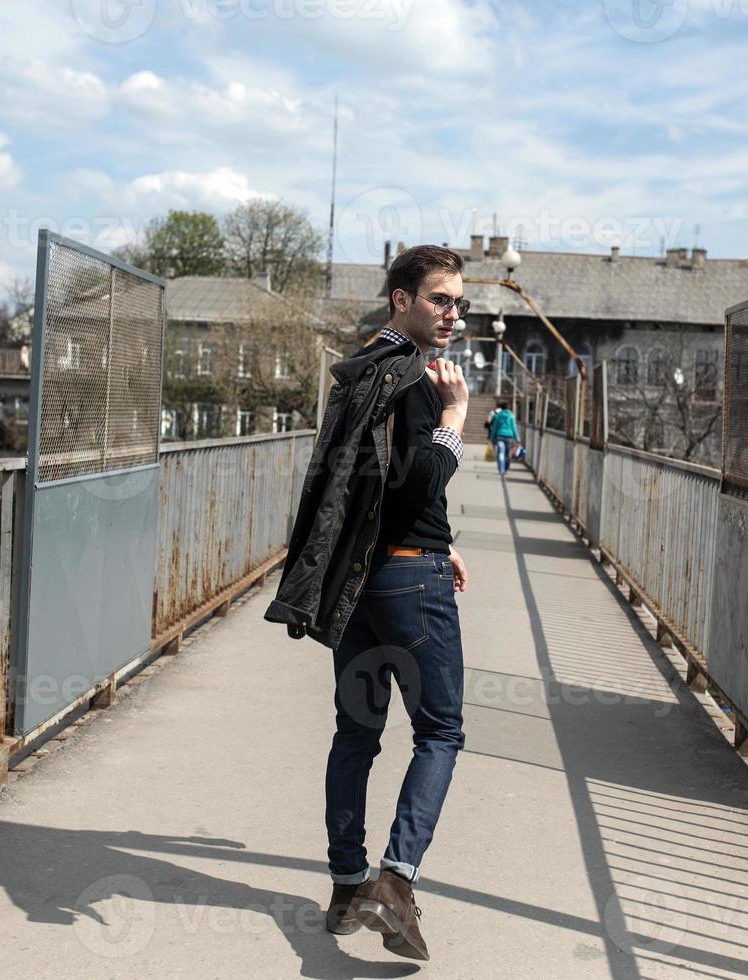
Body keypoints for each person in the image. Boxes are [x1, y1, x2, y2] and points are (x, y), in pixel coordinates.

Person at [317, 245, 470, 961]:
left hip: (361, 580)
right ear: (402, 298)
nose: (452, 314)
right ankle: (396, 882)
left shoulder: (360, 368)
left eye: (459, 303)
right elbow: (418, 482)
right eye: (441, 299)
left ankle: (348, 884)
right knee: (439, 732)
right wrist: (457, 414)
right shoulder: (413, 377)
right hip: (411, 583)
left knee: (356, 734)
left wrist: (443, 539)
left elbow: (367, 488)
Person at [487, 401, 519, 475]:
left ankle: (501, 469)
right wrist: (517, 438)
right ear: (508, 408)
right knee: (507, 454)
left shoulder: (498, 416)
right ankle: (506, 468)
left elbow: (495, 428)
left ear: (501, 408)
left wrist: (491, 438)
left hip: (500, 436)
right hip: (509, 437)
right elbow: (514, 428)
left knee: (500, 453)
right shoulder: (511, 416)